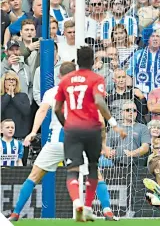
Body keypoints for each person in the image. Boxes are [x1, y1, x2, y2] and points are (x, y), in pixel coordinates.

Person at [8, 62, 118, 221]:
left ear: (59, 76)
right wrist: (102, 144)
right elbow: (100, 121)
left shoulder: (53, 92)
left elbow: (42, 110)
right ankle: (107, 210)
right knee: (96, 175)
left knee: (34, 176)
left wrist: (32, 132)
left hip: (56, 142)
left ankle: (16, 213)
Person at [54, 46, 126, 222]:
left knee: (72, 170)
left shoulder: (66, 80)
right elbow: (99, 101)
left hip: (72, 129)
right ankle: (87, 206)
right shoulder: (96, 78)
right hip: (93, 128)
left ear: (77, 61)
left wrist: (67, 125)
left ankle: (77, 202)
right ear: (93, 61)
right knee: (93, 167)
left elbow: (57, 109)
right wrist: (114, 123)